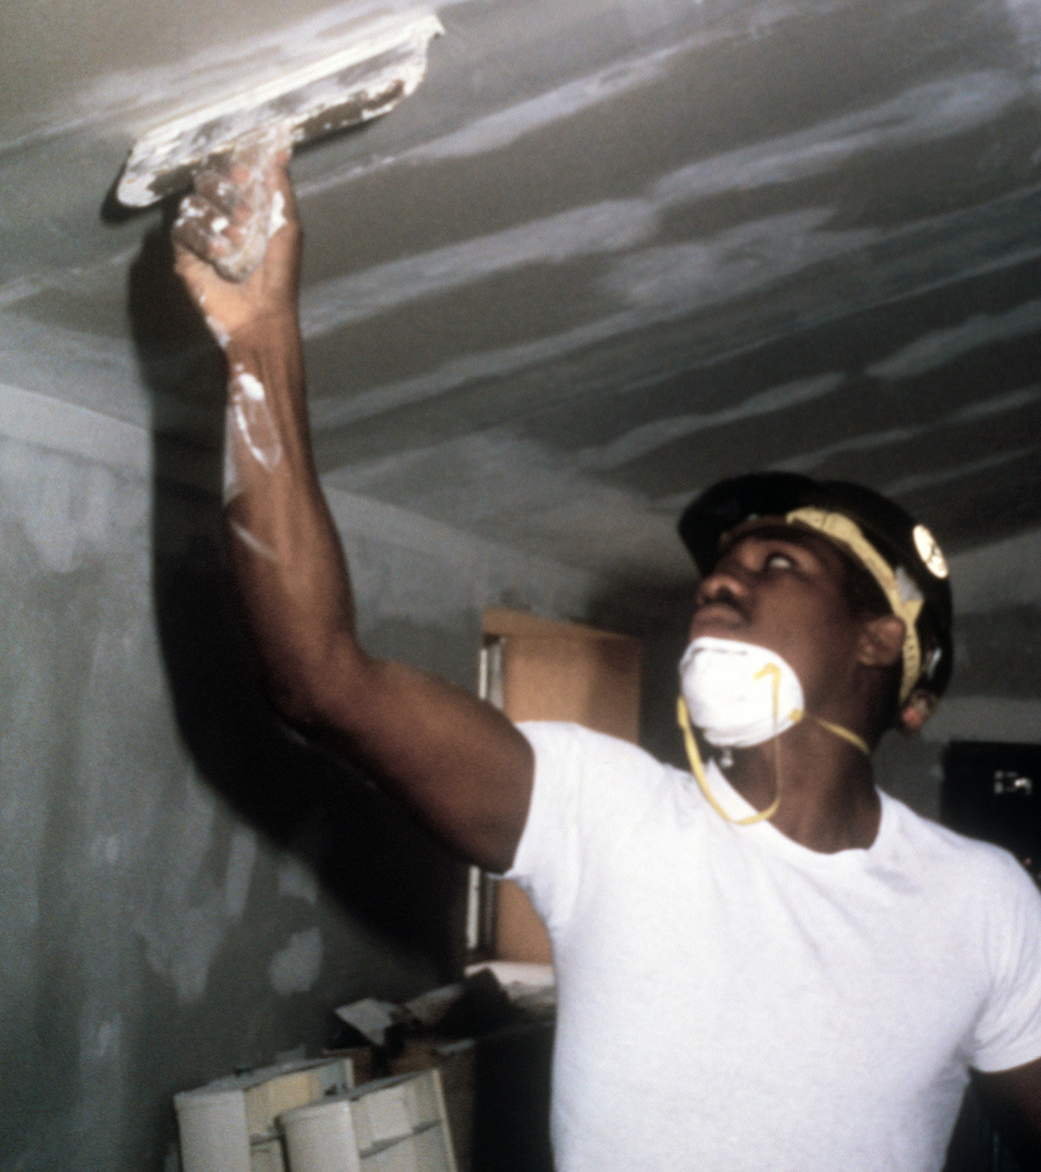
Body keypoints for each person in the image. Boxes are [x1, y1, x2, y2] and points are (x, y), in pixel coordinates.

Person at [173, 153, 1041, 1172]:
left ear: (880, 639)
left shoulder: (982, 903)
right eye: (719, 566)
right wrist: (256, 338)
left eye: (776, 561)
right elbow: (318, 678)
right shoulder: (607, 811)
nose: (720, 582)